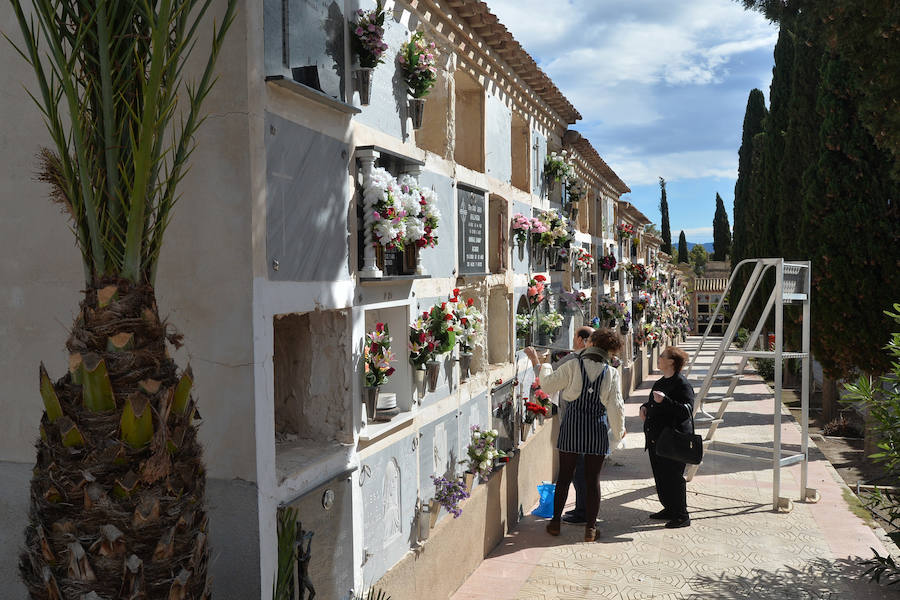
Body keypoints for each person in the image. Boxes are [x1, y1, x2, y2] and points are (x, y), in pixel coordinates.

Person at [524, 329, 625, 542]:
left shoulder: (572, 365)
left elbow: (548, 384)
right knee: (592, 480)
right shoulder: (611, 373)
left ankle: (555, 523)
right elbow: (616, 406)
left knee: (564, 477)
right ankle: (590, 528)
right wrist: (617, 432)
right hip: (596, 429)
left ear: (592, 344)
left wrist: (547, 366)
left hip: (572, 426)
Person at [640, 346, 695, 529]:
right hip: (657, 439)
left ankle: (681, 515)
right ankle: (669, 508)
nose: (659, 358)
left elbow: (687, 411)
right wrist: (644, 408)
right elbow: (652, 402)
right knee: (661, 477)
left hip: (673, 440)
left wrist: (665, 401)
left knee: (673, 477)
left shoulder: (682, 384)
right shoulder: (661, 382)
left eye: (662, 356)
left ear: (671, 361)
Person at [550, 325, 593, 525]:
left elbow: (550, 381)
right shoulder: (598, 361)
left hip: (573, 422)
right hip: (592, 424)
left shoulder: (572, 361)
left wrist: (536, 362)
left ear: (579, 340)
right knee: (587, 471)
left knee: (576, 470)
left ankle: (582, 511)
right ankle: (585, 509)